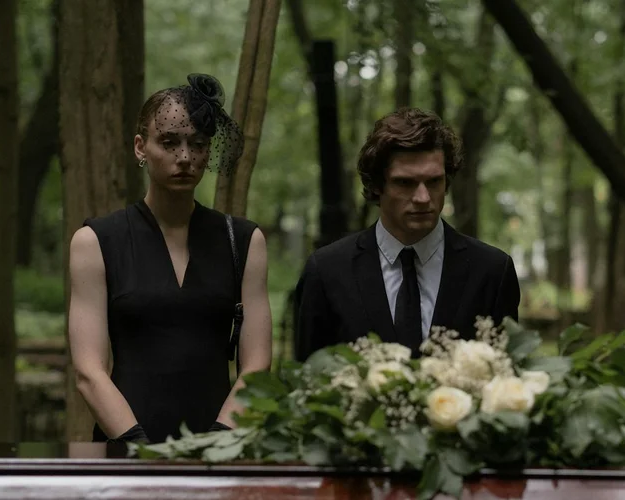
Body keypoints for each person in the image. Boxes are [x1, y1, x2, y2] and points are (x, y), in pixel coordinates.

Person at [67, 74, 272, 444]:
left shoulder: (243, 241)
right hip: (125, 451)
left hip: (221, 451)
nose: (184, 157)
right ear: (140, 148)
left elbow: (256, 367)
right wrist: (140, 450)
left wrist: (216, 446)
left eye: (196, 144)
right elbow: (88, 371)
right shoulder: (95, 241)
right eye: (169, 142)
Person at [292, 107, 520, 361]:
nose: (423, 198)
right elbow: (307, 383)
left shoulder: (492, 272)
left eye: (434, 182)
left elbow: (505, 380)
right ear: (377, 185)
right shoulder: (327, 272)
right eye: (405, 183)